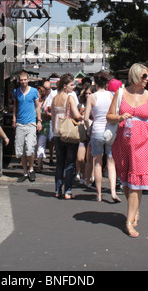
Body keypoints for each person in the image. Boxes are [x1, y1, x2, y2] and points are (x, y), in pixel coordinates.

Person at [107, 63, 148, 238]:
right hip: (122, 142)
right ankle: (134, 210)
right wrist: (119, 116)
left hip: (143, 142)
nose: (147, 79)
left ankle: (129, 222)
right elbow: (109, 116)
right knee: (125, 181)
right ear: (135, 76)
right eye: (144, 76)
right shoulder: (121, 93)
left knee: (137, 182)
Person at [84, 71, 120, 203]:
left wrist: (89, 129)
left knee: (97, 163)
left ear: (95, 82)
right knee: (111, 162)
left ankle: (98, 194)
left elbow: (86, 118)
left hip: (97, 131)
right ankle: (113, 191)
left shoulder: (91, 97)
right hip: (110, 131)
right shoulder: (112, 95)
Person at [51, 73, 83, 199]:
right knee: (69, 163)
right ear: (65, 86)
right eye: (71, 85)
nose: (73, 87)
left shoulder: (54, 98)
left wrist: (55, 131)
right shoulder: (70, 98)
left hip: (57, 132)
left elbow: (53, 117)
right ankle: (68, 191)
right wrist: (84, 117)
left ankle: (57, 190)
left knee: (59, 163)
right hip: (68, 132)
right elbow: (76, 114)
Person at [12, 72, 42, 183]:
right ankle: (25, 171)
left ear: (28, 79)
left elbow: (37, 106)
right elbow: (15, 105)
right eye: (21, 80)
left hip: (30, 122)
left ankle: (31, 168)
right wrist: (14, 118)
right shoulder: (16, 92)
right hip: (20, 122)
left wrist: (39, 120)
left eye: (25, 79)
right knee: (20, 149)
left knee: (30, 147)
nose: (23, 82)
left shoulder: (34, 91)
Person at [76, 83, 93, 184]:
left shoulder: (95, 105)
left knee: (90, 159)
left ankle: (89, 177)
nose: (88, 95)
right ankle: (84, 173)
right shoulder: (80, 105)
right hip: (82, 132)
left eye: (90, 93)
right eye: (86, 93)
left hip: (92, 133)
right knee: (80, 158)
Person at [35, 86, 50, 172]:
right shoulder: (33, 103)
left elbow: (48, 113)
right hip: (34, 125)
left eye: (38, 93)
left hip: (44, 125)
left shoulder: (46, 102)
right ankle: (38, 160)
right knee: (35, 145)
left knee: (41, 144)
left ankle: (39, 164)